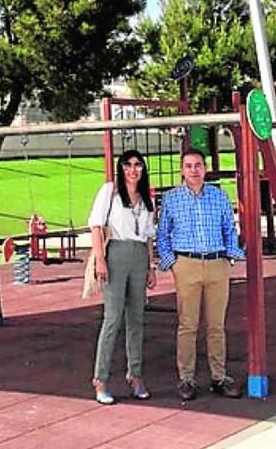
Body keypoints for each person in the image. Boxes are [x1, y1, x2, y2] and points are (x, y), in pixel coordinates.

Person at [156, 149, 245, 401]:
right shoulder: (172, 199)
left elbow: (230, 228)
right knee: (188, 325)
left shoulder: (218, 196)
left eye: (198, 165)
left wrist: (230, 256)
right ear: (182, 170)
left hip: (217, 262)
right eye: (188, 165)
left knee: (217, 325)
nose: (193, 170)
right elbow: (163, 234)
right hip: (187, 263)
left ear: (205, 168)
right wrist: (172, 263)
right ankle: (187, 378)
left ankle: (218, 376)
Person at [87, 150, 157, 405]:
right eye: (128, 165)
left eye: (138, 165)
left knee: (136, 318)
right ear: (121, 168)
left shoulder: (146, 198)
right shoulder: (110, 191)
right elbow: (95, 225)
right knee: (113, 318)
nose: (133, 170)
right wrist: (100, 260)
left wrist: (150, 267)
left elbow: (148, 235)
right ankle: (100, 379)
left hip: (139, 254)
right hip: (116, 252)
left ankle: (135, 375)